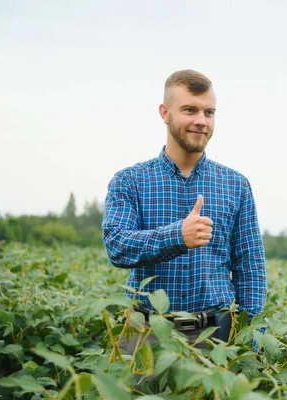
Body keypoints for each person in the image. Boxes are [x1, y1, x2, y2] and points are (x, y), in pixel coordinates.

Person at [102, 69, 267, 350]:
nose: (201, 121)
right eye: (190, 110)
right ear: (165, 113)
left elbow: (250, 267)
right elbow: (117, 244)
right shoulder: (130, 180)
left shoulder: (236, 185)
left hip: (217, 335)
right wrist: (177, 236)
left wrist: (249, 338)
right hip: (147, 333)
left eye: (209, 112)